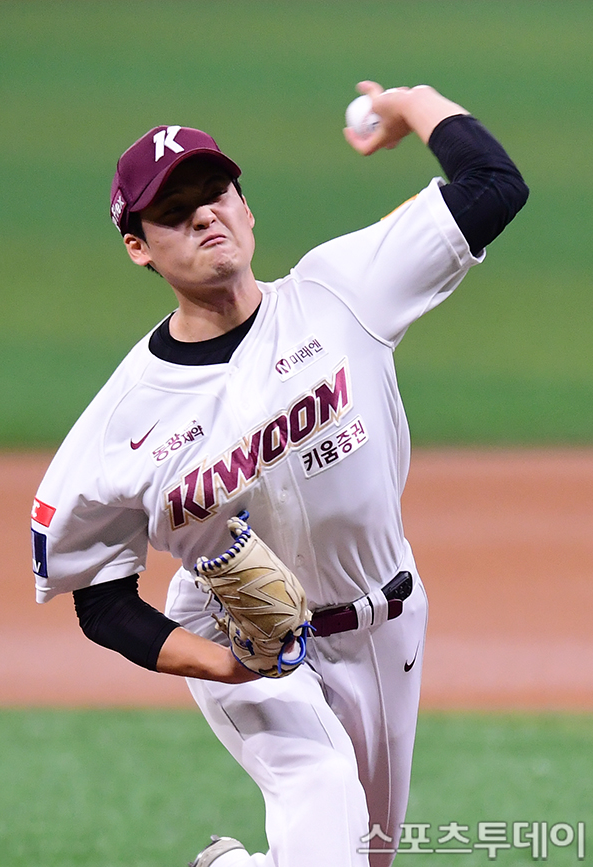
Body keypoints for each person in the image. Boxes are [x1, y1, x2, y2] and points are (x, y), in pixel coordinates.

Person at [31, 81, 528, 866]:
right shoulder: (124, 419)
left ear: (246, 207)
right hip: (235, 629)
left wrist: (413, 102)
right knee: (321, 794)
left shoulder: (340, 291)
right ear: (139, 246)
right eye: (174, 211)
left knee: (365, 854)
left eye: (216, 192)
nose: (205, 214)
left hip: (386, 618)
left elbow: (494, 186)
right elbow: (100, 597)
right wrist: (223, 663)